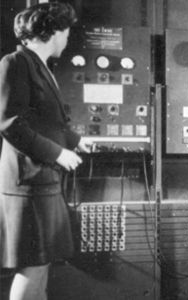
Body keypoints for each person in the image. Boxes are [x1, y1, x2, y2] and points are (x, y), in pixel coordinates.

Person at [0, 3, 91, 300]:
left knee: (43, 266)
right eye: (66, 32)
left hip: (43, 183)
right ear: (53, 31)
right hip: (28, 185)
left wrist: (75, 140)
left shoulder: (39, 66)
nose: (67, 40)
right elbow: (10, 123)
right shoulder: (15, 63)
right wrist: (58, 153)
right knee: (33, 267)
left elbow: (47, 121)